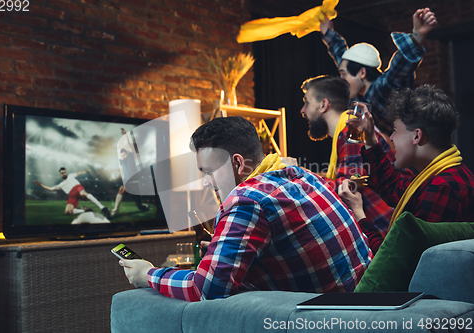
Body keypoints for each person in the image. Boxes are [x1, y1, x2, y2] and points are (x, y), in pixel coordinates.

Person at [119, 116, 372, 301]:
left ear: (238, 163)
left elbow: (206, 289)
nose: (207, 182)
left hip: (332, 320)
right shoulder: (301, 175)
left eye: (208, 172)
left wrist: (149, 274)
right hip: (367, 302)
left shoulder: (247, 198)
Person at [338, 84, 474, 253]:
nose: (392, 138)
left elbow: (395, 261)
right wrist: (371, 140)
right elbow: (394, 189)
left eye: (395, 130)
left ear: (417, 135)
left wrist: (359, 214)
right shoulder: (444, 173)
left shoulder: (442, 188)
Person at [300, 75, 407, 238]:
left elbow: (349, 186)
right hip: (389, 230)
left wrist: (297, 175)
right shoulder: (348, 129)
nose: (302, 110)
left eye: (307, 102)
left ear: (323, 105)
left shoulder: (352, 131)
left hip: (388, 234)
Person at [320, 8, 437, 137]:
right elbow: (341, 57)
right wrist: (327, 32)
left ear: (362, 73)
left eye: (343, 75)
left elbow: (399, 66)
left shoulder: (382, 88)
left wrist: (417, 36)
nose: (341, 80)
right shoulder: (357, 95)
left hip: (411, 148)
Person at [34, 167, 111, 218]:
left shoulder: (71, 176)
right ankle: (85, 210)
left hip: (77, 188)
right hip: (72, 195)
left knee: (84, 194)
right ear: (60, 175)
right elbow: (50, 189)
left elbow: (79, 173)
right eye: (62, 173)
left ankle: (103, 208)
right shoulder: (61, 184)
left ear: (66, 172)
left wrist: (86, 171)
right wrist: (41, 185)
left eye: (64, 172)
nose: (63, 174)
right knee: (68, 212)